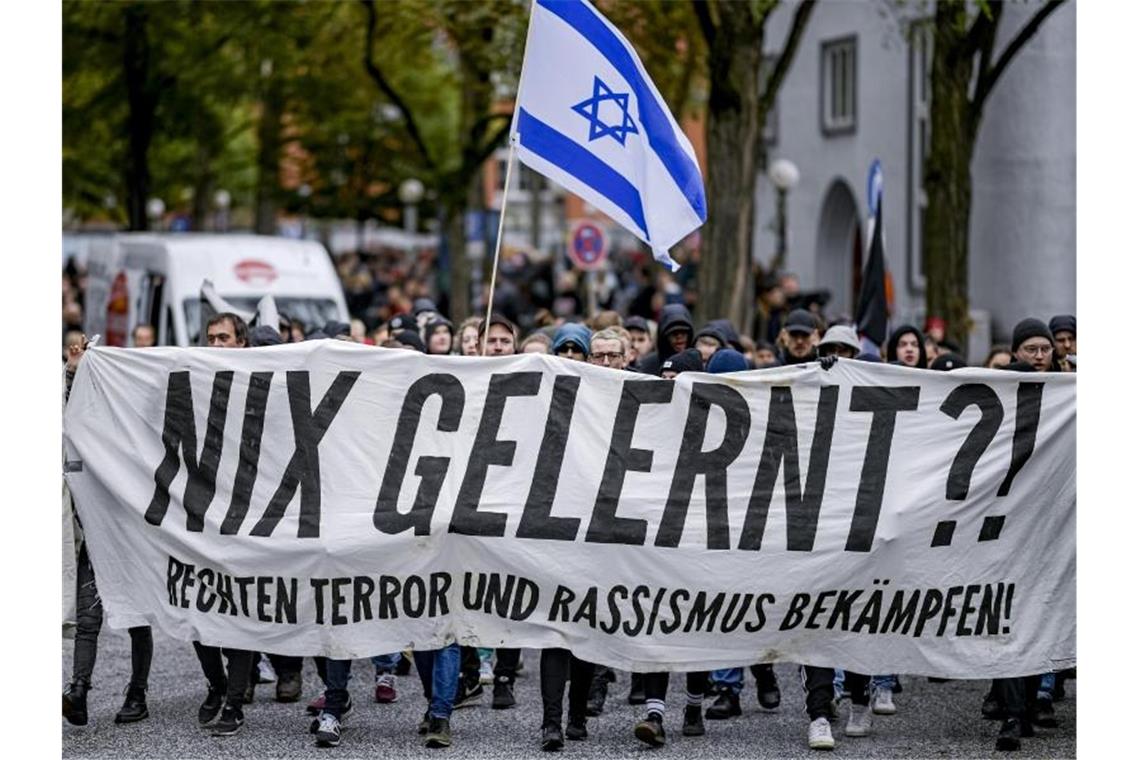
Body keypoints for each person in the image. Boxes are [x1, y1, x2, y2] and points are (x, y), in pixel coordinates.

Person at [62, 336, 154, 727]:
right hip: (96, 534)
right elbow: (67, 412)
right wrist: (72, 371)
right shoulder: (86, 421)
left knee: (135, 615)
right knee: (89, 617)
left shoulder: (135, 424)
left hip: (130, 534)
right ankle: (78, 689)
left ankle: (137, 692)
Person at [195, 313, 254, 735]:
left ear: (241, 344)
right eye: (211, 338)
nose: (216, 344)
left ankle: (234, 702)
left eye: (224, 338)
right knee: (196, 612)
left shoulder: (260, 384)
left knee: (240, 613)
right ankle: (217, 685)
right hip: (201, 512)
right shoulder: (195, 381)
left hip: (248, 516)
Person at [635, 303, 693, 376]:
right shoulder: (646, 366)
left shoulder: (696, 366)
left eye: (684, 332)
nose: (679, 337)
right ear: (664, 336)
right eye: (674, 333)